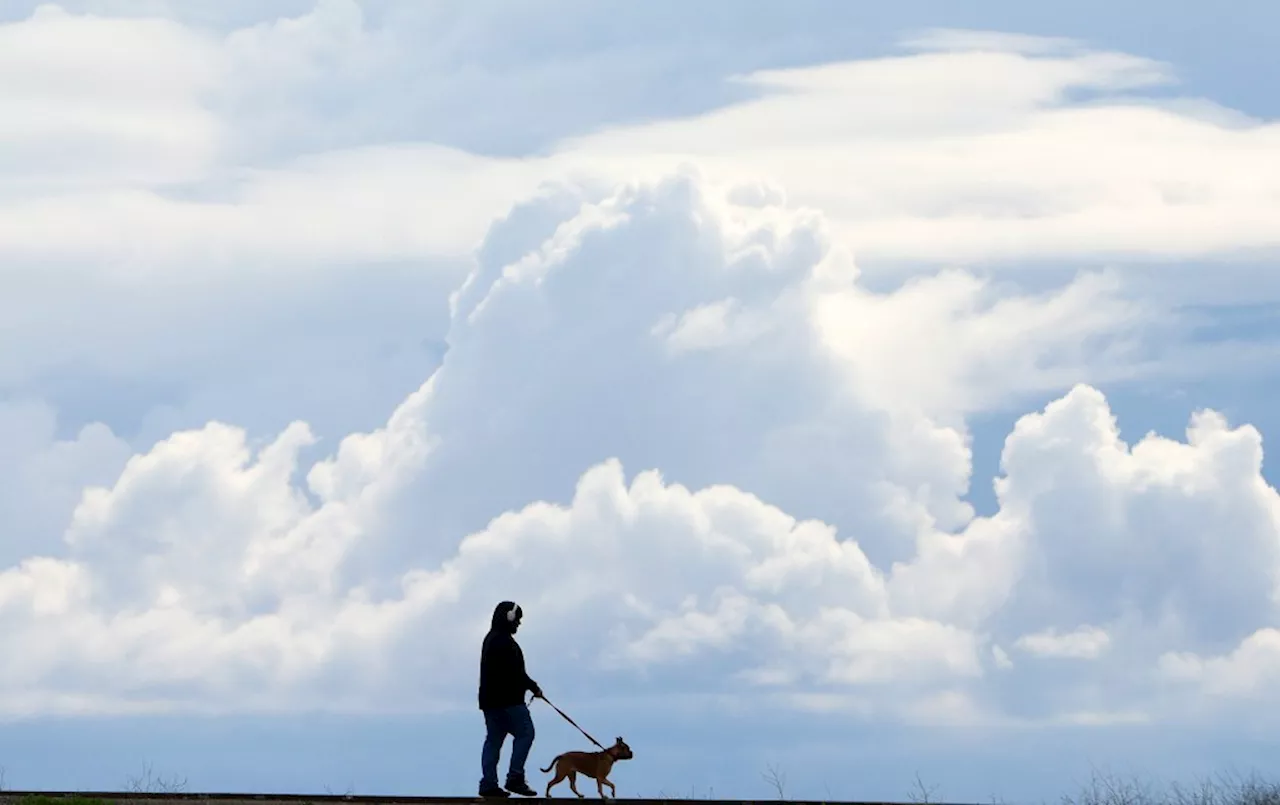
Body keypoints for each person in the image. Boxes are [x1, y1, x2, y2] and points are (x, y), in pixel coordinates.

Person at [478, 600, 543, 798]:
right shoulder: (505, 642)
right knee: (526, 733)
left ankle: (488, 784)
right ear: (510, 617)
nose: (519, 624)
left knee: (494, 741)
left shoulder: (490, 639)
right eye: (518, 619)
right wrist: (534, 687)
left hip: (489, 702)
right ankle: (515, 778)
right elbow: (516, 673)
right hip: (510, 701)